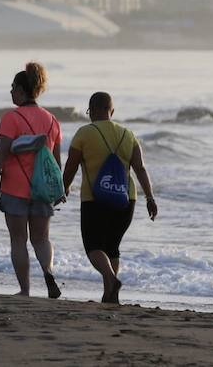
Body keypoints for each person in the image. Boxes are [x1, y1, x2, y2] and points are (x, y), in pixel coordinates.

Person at [62, 91, 158, 304]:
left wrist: (64, 188)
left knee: (93, 247)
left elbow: (71, 165)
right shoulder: (128, 134)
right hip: (126, 199)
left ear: (91, 110)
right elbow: (140, 168)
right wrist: (150, 197)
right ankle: (110, 294)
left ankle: (110, 279)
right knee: (112, 246)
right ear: (111, 111)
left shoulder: (84, 133)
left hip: (95, 199)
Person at [0, 60, 63, 298]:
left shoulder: (11, 118)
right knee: (41, 239)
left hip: (15, 188)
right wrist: (60, 190)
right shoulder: (52, 120)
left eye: (13, 87)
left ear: (23, 90)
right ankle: (48, 271)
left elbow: (1, 155)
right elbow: (55, 162)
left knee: (18, 240)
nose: (11, 91)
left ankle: (25, 290)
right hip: (43, 191)